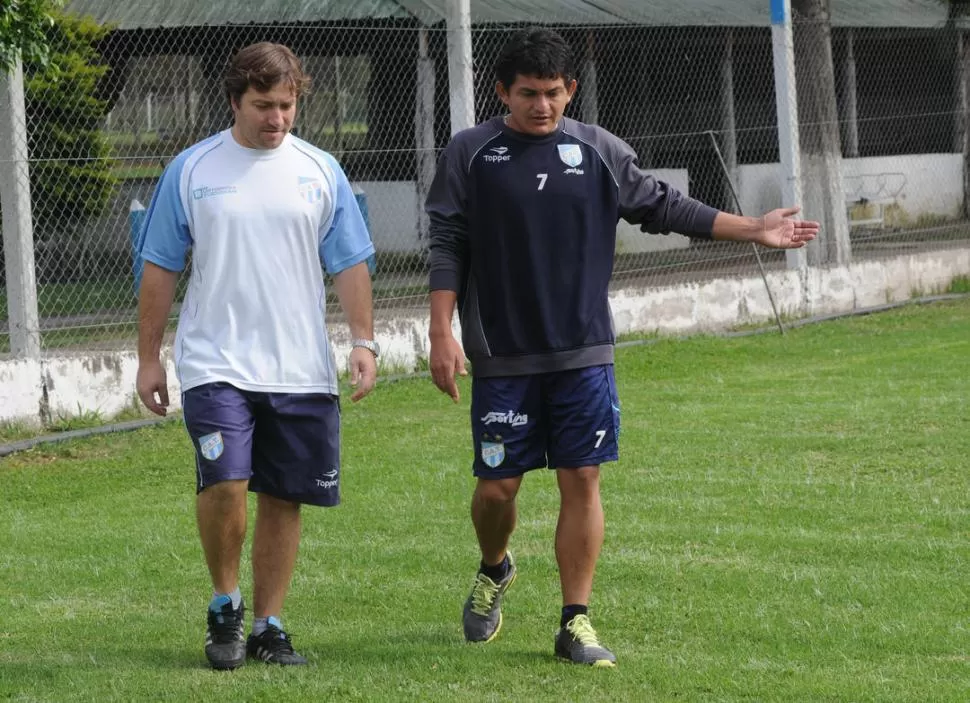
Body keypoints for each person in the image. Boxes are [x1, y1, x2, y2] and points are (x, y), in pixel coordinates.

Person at [425, 27, 819, 667]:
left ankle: (575, 620)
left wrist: (753, 228)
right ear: (501, 92)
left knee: (582, 477)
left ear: (570, 90)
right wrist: (442, 332)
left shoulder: (598, 150)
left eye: (554, 93)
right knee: (498, 489)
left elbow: (663, 206)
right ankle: (495, 567)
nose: (542, 106)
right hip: (503, 355)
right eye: (528, 94)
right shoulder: (470, 153)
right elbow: (447, 244)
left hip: (584, 352)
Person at [134, 42, 379, 670]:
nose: (277, 118)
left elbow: (349, 262)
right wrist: (149, 358)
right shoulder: (191, 170)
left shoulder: (321, 170)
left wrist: (362, 340)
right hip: (216, 362)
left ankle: (270, 625)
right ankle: (225, 605)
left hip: (299, 366)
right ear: (234, 101)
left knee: (284, 496)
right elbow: (160, 266)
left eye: (287, 105)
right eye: (263, 105)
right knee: (227, 486)